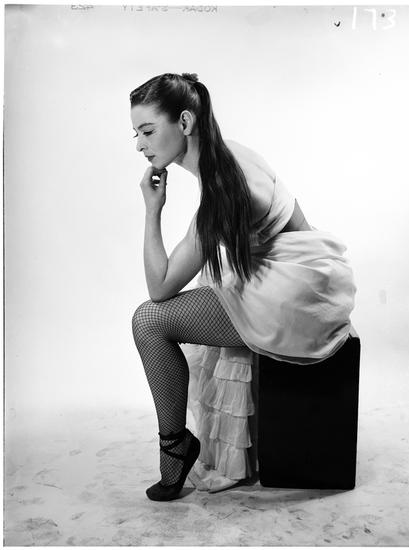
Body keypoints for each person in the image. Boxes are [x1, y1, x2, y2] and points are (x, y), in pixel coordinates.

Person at [130, 72, 357, 502]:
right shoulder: (230, 154)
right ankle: (183, 447)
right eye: (136, 135)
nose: (140, 145)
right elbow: (293, 223)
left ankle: (175, 448)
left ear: (185, 121)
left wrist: (152, 210)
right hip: (312, 277)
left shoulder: (221, 188)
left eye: (147, 131)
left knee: (149, 320)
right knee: (215, 280)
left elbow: (159, 287)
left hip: (294, 297)